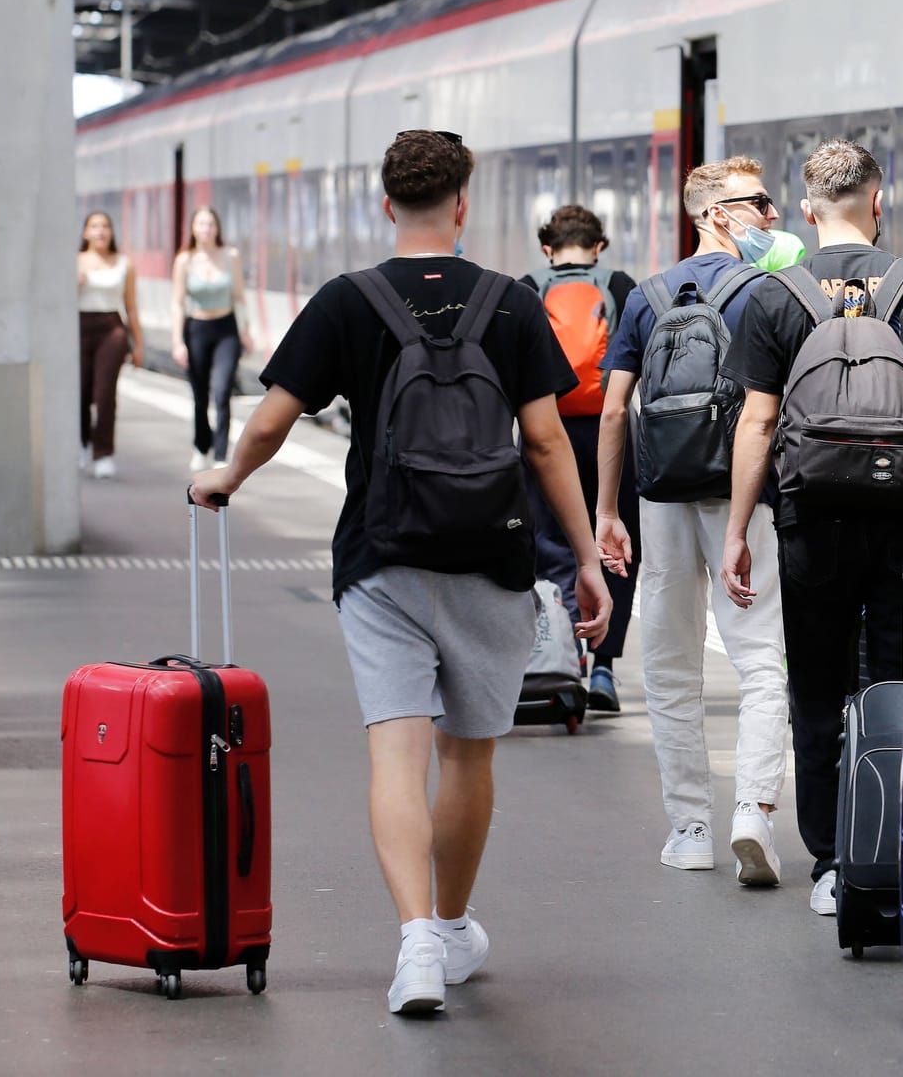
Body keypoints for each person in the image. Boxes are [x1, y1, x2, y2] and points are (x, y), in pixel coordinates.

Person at [189, 130, 612, 1017]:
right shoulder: (508, 304)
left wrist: (226, 476)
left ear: (387, 204)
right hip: (490, 558)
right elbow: (542, 441)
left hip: (382, 556)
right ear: (463, 203)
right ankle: (454, 927)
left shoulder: (349, 301)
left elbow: (270, 422)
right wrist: (585, 558)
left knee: (396, 748)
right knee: (466, 755)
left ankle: (416, 941)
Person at [719, 139, 903, 917]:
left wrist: (736, 531)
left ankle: (832, 861)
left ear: (804, 210)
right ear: (878, 200)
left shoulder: (774, 295)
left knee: (818, 692)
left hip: (811, 520)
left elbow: (757, 422)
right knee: (901, 685)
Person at [593, 157, 791, 884]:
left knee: (669, 665)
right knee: (761, 658)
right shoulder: (771, 292)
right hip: (745, 495)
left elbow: (617, 408)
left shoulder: (645, 298)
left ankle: (690, 825)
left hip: (663, 491)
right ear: (714, 214)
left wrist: (608, 509)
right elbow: (774, 412)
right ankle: (755, 813)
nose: (771, 217)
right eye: (758, 204)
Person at [517, 205, 640, 711]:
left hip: (546, 430)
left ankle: (564, 659)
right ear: (599, 246)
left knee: (550, 542)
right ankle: (605, 668)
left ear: (548, 248)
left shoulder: (527, 286)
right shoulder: (621, 285)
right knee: (615, 546)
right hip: (611, 433)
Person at [171, 206, 254, 474]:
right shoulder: (184, 260)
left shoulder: (230, 256)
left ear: (217, 228)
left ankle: (220, 454)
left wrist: (245, 330)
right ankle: (200, 446)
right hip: (196, 328)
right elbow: (177, 302)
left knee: (221, 392)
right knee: (199, 395)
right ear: (193, 228)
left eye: (211, 224)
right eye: (201, 224)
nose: (206, 229)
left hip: (226, 329)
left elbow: (239, 297)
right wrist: (177, 341)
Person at [77, 211, 143, 479]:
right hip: (78, 328)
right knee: (80, 393)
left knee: (105, 394)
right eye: (94, 226)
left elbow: (131, 306)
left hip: (112, 330)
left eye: (105, 226)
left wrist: (138, 344)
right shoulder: (75, 262)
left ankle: (104, 453)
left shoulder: (124, 264)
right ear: (85, 233)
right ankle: (82, 443)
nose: (100, 231)